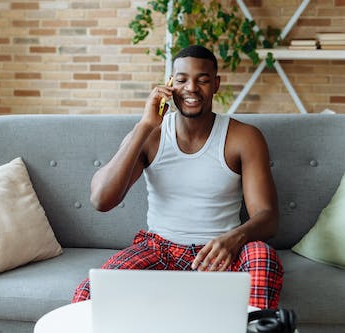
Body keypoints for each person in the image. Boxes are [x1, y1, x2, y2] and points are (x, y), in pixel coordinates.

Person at [71, 45, 284, 309]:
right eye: (182, 80)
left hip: (220, 251)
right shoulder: (151, 135)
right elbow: (101, 200)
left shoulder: (244, 137)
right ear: (170, 84)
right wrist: (146, 124)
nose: (191, 88)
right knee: (91, 292)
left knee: (263, 256)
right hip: (159, 248)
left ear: (216, 84)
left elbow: (268, 217)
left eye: (203, 80)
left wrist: (234, 238)